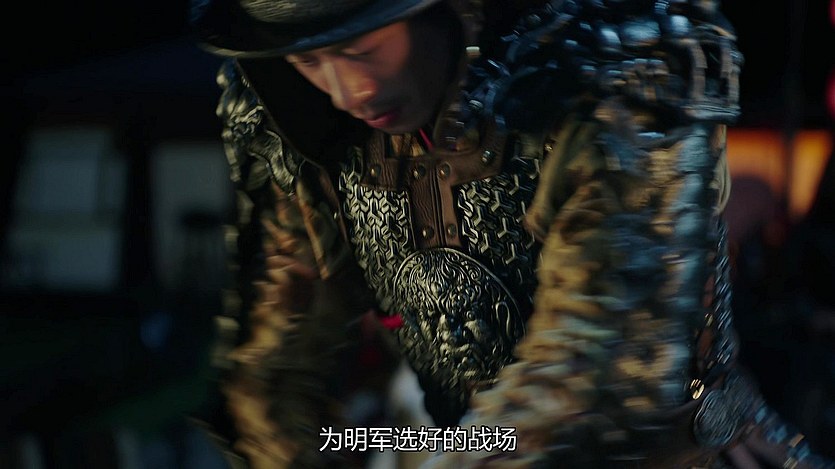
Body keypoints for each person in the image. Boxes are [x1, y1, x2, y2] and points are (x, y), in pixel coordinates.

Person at [189, 0, 835, 467]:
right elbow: (273, 367)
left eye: (361, 49)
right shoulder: (295, 121)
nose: (346, 90)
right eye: (309, 58)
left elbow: (598, 366)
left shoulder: (606, 70)